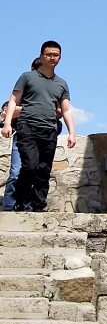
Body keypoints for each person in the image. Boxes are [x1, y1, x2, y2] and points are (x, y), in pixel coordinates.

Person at [1, 42, 75, 212]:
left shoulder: (62, 84)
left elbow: (66, 109)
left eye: (56, 55)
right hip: (27, 127)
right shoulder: (27, 77)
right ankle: (20, 200)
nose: (52, 58)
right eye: (49, 54)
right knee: (29, 167)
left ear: (60, 57)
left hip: (49, 130)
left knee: (44, 171)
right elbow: (12, 100)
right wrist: (7, 123)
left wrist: (72, 132)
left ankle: (38, 207)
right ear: (41, 56)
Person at [1, 58, 42, 211]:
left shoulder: (49, 90)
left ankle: (27, 206)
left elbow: (55, 114)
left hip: (40, 137)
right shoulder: (23, 89)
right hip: (21, 136)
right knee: (15, 173)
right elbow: (7, 113)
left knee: (35, 173)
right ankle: (9, 207)